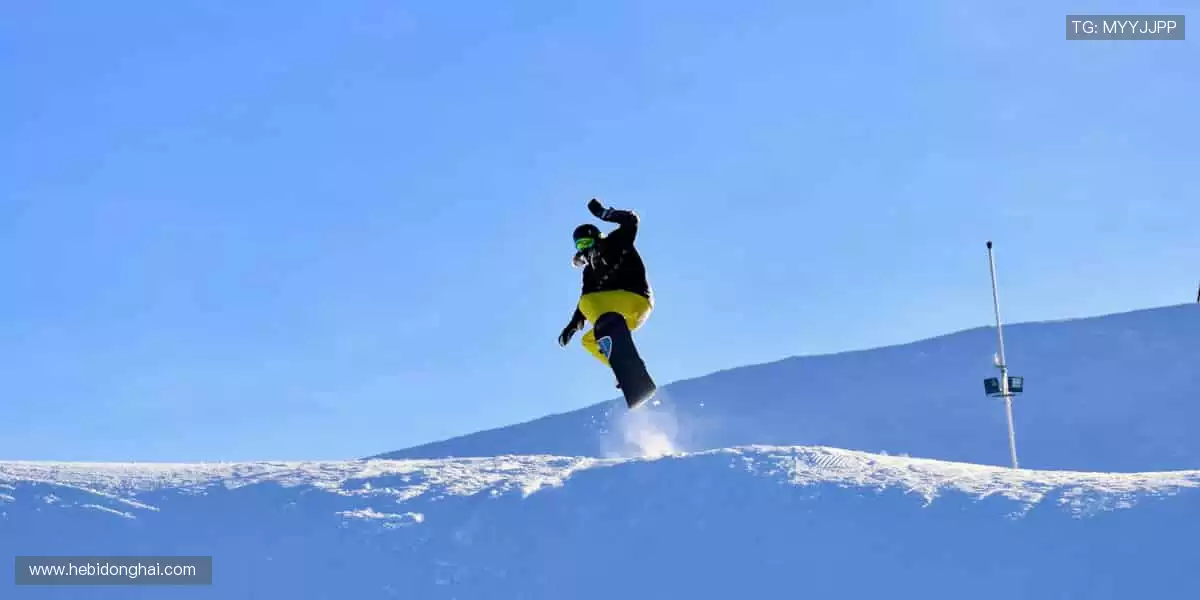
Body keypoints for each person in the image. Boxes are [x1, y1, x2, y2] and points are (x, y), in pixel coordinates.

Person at [557, 198, 653, 384]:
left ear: (596, 238)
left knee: (587, 302)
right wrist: (572, 327)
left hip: (638, 300)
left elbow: (631, 220)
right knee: (588, 342)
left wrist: (603, 213)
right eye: (579, 246)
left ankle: (608, 329)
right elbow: (584, 306)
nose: (584, 250)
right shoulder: (590, 273)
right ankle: (627, 372)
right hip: (625, 318)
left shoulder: (616, 242)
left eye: (586, 243)